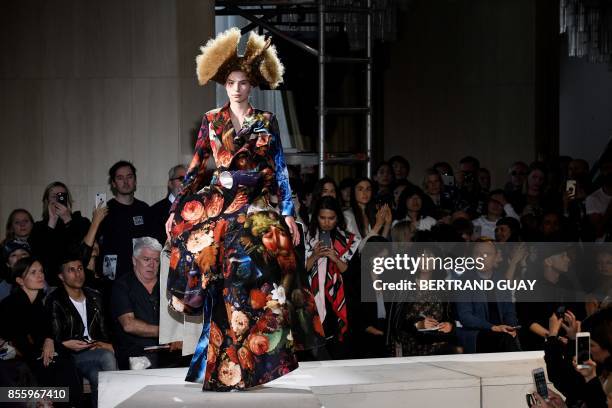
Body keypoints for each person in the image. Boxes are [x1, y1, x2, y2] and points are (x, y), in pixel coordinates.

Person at [165, 28, 323, 391]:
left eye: (244, 82)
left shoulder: (267, 121)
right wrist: (176, 206)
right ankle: (224, 367)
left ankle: (256, 365)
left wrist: (287, 213)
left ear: (252, 86)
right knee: (223, 289)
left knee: (264, 289)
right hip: (221, 210)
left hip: (255, 209)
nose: (237, 88)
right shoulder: (211, 120)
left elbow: (280, 168)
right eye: (232, 82)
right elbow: (196, 167)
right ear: (224, 84)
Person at [0, 257, 82, 406]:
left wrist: (50, 341)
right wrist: (57, 346)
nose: (40, 275)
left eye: (41, 271)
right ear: (20, 280)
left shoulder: (40, 303)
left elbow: (47, 331)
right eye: (33, 272)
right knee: (55, 364)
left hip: (31, 355)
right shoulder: (11, 304)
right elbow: (20, 344)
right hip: (13, 359)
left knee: (64, 361)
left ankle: (66, 402)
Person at [46, 254, 116, 407]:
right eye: (71, 270)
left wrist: (104, 343)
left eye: (80, 268)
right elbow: (54, 335)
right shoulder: (55, 300)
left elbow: (107, 329)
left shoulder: (95, 296)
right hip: (71, 354)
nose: (78, 274)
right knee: (107, 356)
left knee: (97, 376)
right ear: (61, 276)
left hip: (95, 349)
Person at [111, 237, 180, 370]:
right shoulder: (122, 286)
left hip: (169, 352)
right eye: (146, 259)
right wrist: (166, 332)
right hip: (136, 353)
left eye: (156, 260)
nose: (152, 265)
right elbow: (129, 325)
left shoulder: (168, 284)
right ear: (134, 260)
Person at [305, 196, 359, 359]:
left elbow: (352, 275)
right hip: (312, 299)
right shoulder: (307, 238)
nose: (327, 222)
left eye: (331, 218)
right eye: (322, 218)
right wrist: (314, 256)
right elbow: (300, 272)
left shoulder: (350, 240)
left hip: (339, 298)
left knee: (338, 349)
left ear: (338, 218)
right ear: (316, 217)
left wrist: (335, 258)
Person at [455, 240, 520, 353]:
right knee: (504, 339)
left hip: (501, 332)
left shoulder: (501, 280)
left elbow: (509, 311)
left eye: (487, 254)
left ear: (495, 257)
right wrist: (492, 327)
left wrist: (511, 327)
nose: (481, 258)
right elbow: (465, 317)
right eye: (477, 254)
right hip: (476, 333)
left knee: (511, 336)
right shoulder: (464, 281)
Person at [30, 181, 91, 287]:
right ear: (47, 201)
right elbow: (40, 256)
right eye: (54, 196)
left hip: (76, 279)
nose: (58, 199)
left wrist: (68, 220)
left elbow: (83, 252)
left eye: (62, 196)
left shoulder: (80, 222)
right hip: (49, 282)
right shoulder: (38, 227)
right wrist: (51, 222)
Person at [97, 160, 150, 280]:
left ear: (135, 181)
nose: (126, 182)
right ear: (113, 183)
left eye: (129, 177)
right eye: (120, 178)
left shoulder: (144, 209)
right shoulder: (105, 210)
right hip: (113, 278)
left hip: (140, 276)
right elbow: (97, 245)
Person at [344, 177, 392, 245]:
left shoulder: (372, 213)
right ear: (353, 192)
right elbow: (357, 249)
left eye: (368, 189)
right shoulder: (348, 216)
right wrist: (378, 225)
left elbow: (379, 247)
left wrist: (388, 223)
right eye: (360, 189)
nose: (365, 193)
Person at [150, 164, 187, 246]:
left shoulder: (200, 209)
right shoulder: (154, 211)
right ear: (170, 183)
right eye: (181, 179)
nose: (185, 182)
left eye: (189, 179)